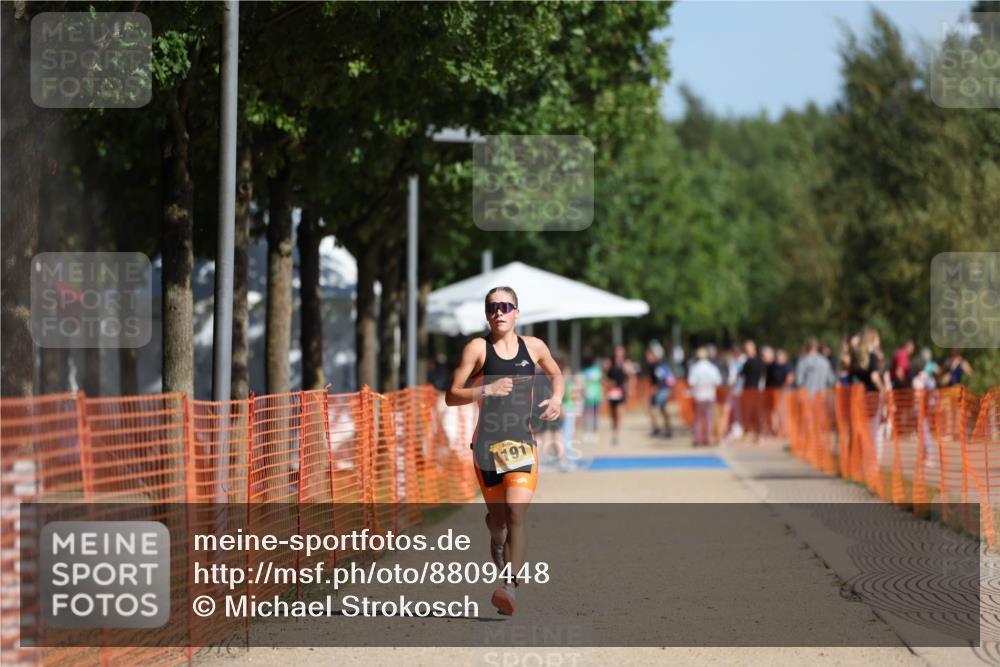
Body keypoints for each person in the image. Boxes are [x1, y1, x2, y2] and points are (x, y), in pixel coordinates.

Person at [445, 286, 563, 616]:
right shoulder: (477, 349)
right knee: (498, 521)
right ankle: (496, 539)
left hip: (523, 444)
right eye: (493, 307)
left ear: (516, 312)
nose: (500, 312)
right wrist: (487, 388)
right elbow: (451, 395)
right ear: (486, 314)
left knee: (516, 515)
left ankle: (509, 586)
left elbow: (556, 374)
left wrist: (556, 399)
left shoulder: (535, 347)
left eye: (506, 306)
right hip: (486, 447)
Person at [687, 347, 723, 446]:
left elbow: (692, 383)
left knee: (698, 418)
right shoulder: (712, 368)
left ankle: (697, 438)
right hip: (710, 395)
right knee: (709, 418)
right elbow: (718, 382)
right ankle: (707, 438)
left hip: (699, 396)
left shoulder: (695, 368)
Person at [739, 339, 767, 444]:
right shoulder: (746, 361)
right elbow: (741, 375)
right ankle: (747, 433)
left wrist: (761, 389)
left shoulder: (759, 361)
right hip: (747, 391)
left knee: (757, 414)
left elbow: (763, 376)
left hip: (756, 392)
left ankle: (758, 435)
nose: (747, 350)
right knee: (747, 413)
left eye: (748, 348)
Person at [645, 342, 675, 438]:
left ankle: (661, 429)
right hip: (661, 390)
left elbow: (661, 380)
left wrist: (656, 389)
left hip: (661, 390)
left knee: (656, 409)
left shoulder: (658, 366)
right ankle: (664, 429)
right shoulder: (656, 365)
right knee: (661, 410)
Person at [605, 345, 628, 446]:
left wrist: (629, 389)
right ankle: (614, 429)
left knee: (619, 414)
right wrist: (609, 383)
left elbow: (631, 378)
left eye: (621, 352)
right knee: (613, 415)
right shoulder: (609, 364)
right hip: (612, 392)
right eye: (617, 352)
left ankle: (616, 436)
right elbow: (604, 378)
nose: (619, 354)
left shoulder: (626, 365)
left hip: (621, 392)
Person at [581, 357, 603, 438]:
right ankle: (595, 431)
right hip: (596, 395)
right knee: (595, 414)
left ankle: (587, 431)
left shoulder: (585, 372)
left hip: (589, 395)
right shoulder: (598, 371)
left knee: (587, 414)